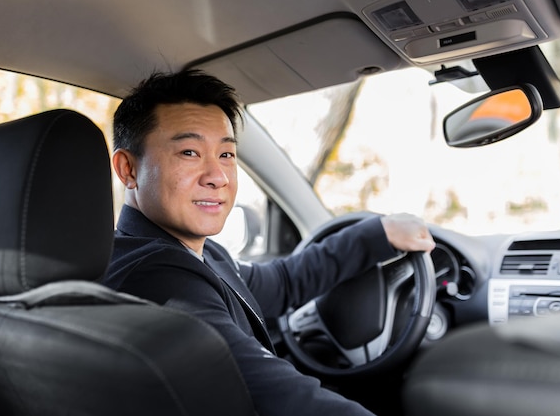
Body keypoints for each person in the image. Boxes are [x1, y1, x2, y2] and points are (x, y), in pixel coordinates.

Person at [103, 68, 436, 416]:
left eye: (226, 155)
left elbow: (283, 281)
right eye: (189, 152)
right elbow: (273, 394)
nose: (217, 176)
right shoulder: (156, 277)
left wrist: (378, 234)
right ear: (128, 169)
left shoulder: (196, 255)